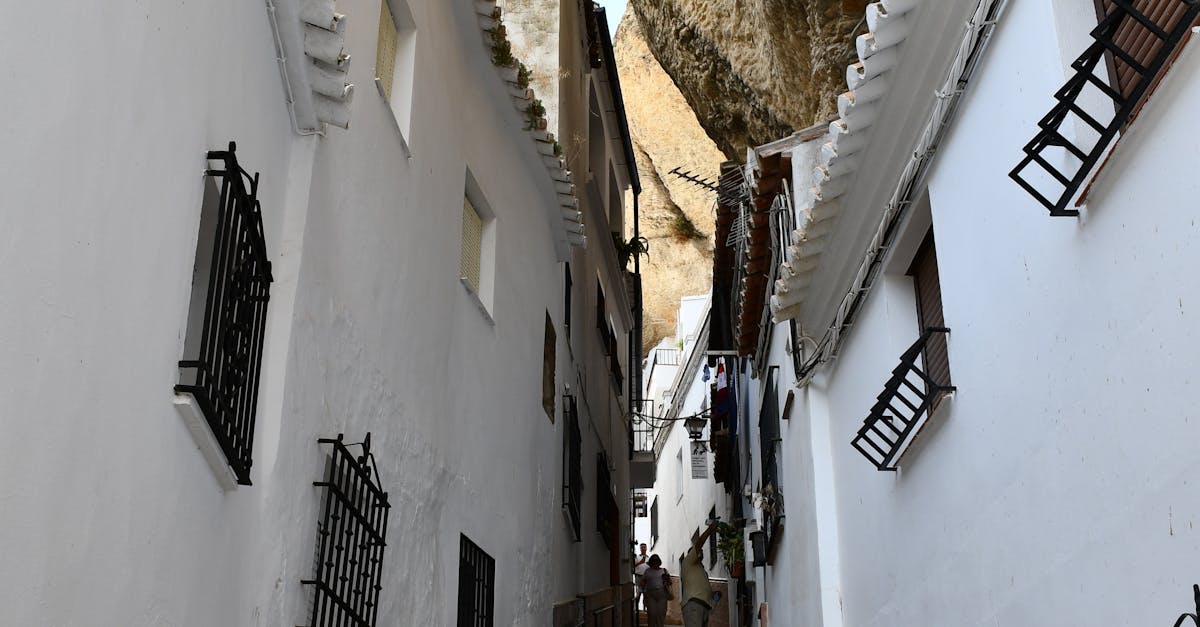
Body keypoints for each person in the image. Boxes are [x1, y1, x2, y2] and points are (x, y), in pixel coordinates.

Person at [680, 520, 719, 627]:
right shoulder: (688, 562)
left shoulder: (701, 570)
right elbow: (699, 543)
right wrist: (710, 530)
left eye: (701, 551)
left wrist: (714, 595)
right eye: (698, 551)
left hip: (704, 606)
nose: (700, 552)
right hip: (694, 604)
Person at [639, 554, 670, 627]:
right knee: (651, 614)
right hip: (650, 595)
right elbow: (642, 583)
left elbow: (670, 582)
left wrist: (667, 579)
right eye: (653, 561)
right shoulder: (647, 571)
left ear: (659, 562)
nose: (655, 563)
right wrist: (644, 594)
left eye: (656, 561)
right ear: (651, 562)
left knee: (660, 615)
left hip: (662, 595)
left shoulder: (664, 570)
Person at [633, 543, 650, 612]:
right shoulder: (637, 557)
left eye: (644, 547)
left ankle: (645, 609)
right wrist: (640, 562)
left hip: (646, 578)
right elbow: (633, 566)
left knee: (646, 594)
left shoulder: (649, 558)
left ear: (646, 548)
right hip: (638, 577)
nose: (643, 548)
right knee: (638, 592)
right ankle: (636, 609)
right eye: (642, 547)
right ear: (640, 549)